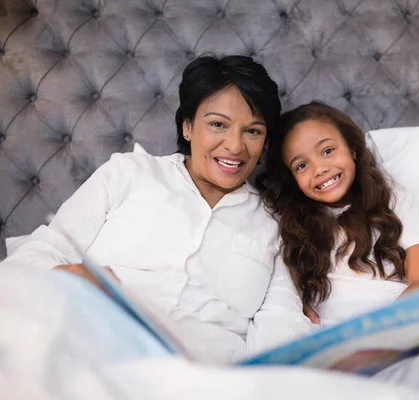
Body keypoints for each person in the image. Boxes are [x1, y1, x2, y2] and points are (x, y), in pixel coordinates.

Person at [0, 54, 312, 363]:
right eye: (218, 124)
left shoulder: (275, 223)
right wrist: (68, 278)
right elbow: (38, 254)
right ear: (188, 126)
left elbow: (281, 318)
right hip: (94, 348)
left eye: (253, 131)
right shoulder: (128, 173)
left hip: (205, 377)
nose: (234, 146)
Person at [257, 101, 419, 326]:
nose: (320, 169)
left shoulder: (392, 198)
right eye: (302, 166)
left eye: (328, 151)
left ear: (352, 148)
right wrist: (295, 302)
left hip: (399, 319)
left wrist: (383, 330)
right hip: (330, 331)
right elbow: (279, 284)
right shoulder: (290, 221)